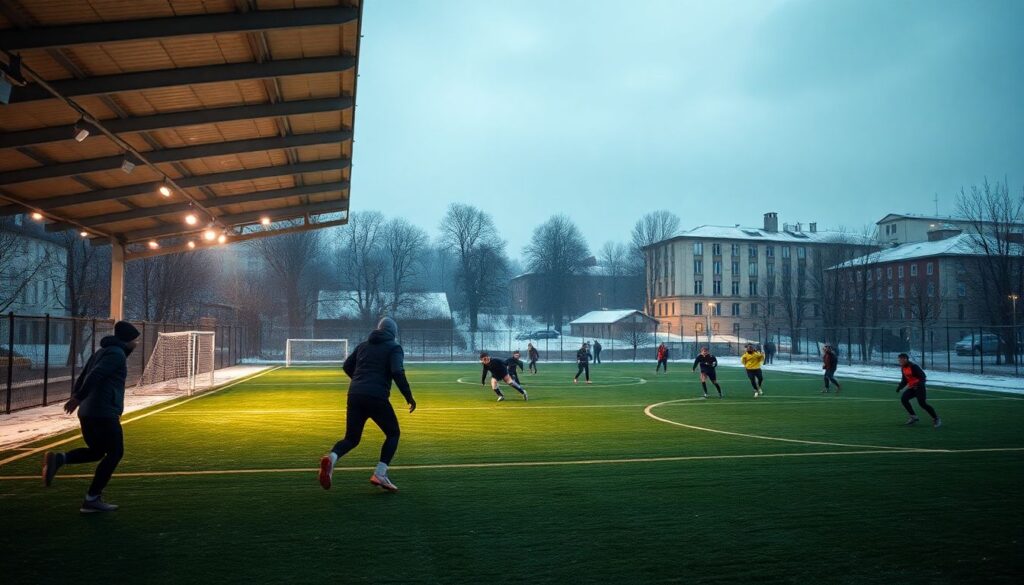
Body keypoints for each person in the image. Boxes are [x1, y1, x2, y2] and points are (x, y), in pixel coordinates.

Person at [43, 321, 140, 513]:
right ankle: (92, 499)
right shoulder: (116, 354)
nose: (136, 343)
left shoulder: (102, 352)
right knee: (115, 453)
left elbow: (84, 375)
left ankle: (60, 459)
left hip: (89, 411)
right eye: (135, 340)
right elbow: (94, 375)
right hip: (103, 412)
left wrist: (78, 397)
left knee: (97, 451)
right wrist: (78, 398)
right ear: (128, 339)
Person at [318, 317, 416, 493]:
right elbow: (397, 372)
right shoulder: (394, 347)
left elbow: (347, 366)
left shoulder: (363, 345)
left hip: (355, 395)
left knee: (351, 438)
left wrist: (359, 380)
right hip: (376, 397)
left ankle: (331, 458)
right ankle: (380, 473)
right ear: (393, 333)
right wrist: (409, 396)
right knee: (393, 433)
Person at [896, 353, 940, 427]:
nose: (899, 361)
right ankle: (913, 417)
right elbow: (904, 380)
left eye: (901, 359)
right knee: (904, 399)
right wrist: (899, 387)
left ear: (905, 359)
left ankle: (936, 418)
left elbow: (923, 377)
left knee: (922, 404)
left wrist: (918, 384)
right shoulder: (903, 368)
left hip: (919, 388)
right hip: (912, 388)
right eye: (899, 359)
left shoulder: (913, 366)